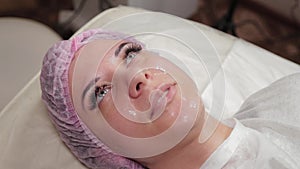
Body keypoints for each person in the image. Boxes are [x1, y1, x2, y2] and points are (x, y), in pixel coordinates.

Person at [40, 29, 300, 169]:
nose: (136, 75)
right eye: (102, 92)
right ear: (102, 151)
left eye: (129, 54)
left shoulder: (287, 97)